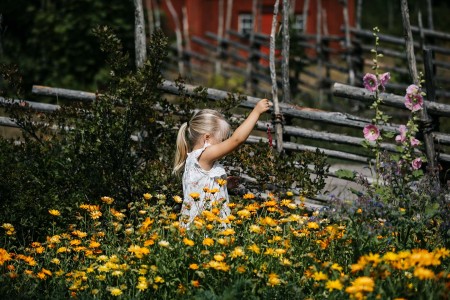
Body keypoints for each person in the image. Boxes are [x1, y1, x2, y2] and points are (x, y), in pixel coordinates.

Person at [173, 99, 272, 228]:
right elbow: (237, 140)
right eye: (221, 140)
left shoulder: (194, 160)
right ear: (207, 138)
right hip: (203, 227)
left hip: (198, 226)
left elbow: (201, 187)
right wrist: (257, 111)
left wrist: (222, 185)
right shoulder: (203, 155)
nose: (223, 143)